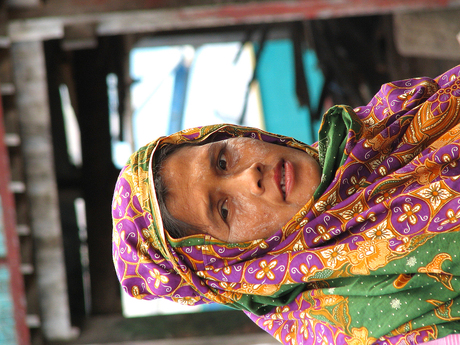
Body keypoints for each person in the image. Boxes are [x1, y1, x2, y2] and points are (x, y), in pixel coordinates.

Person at [112, 65, 460, 345]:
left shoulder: (380, 129)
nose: (251, 177)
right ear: (240, 263)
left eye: (221, 161)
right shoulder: (361, 324)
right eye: (223, 211)